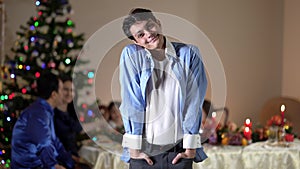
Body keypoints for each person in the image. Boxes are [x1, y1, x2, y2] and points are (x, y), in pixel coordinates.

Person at [119, 8, 208, 169]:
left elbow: (193, 103)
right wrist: (134, 150)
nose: (148, 34)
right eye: (140, 34)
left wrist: (190, 149)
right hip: (144, 153)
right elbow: (132, 102)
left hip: (179, 154)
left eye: (150, 26)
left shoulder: (190, 55)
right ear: (136, 41)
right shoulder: (132, 56)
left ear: (158, 24)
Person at [11, 72, 74, 169]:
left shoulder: (45, 111)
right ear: (53, 94)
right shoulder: (38, 114)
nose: (65, 94)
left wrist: (71, 159)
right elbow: (44, 145)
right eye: (62, 89)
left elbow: (54, 141)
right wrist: (55, 166)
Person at [53, 76, 91, 169]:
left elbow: (79, 129)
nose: (69, 93)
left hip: (74, 157)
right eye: (66, 89)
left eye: (72, 90)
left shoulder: (73, 113)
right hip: (59, 160)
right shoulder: (52, 114)